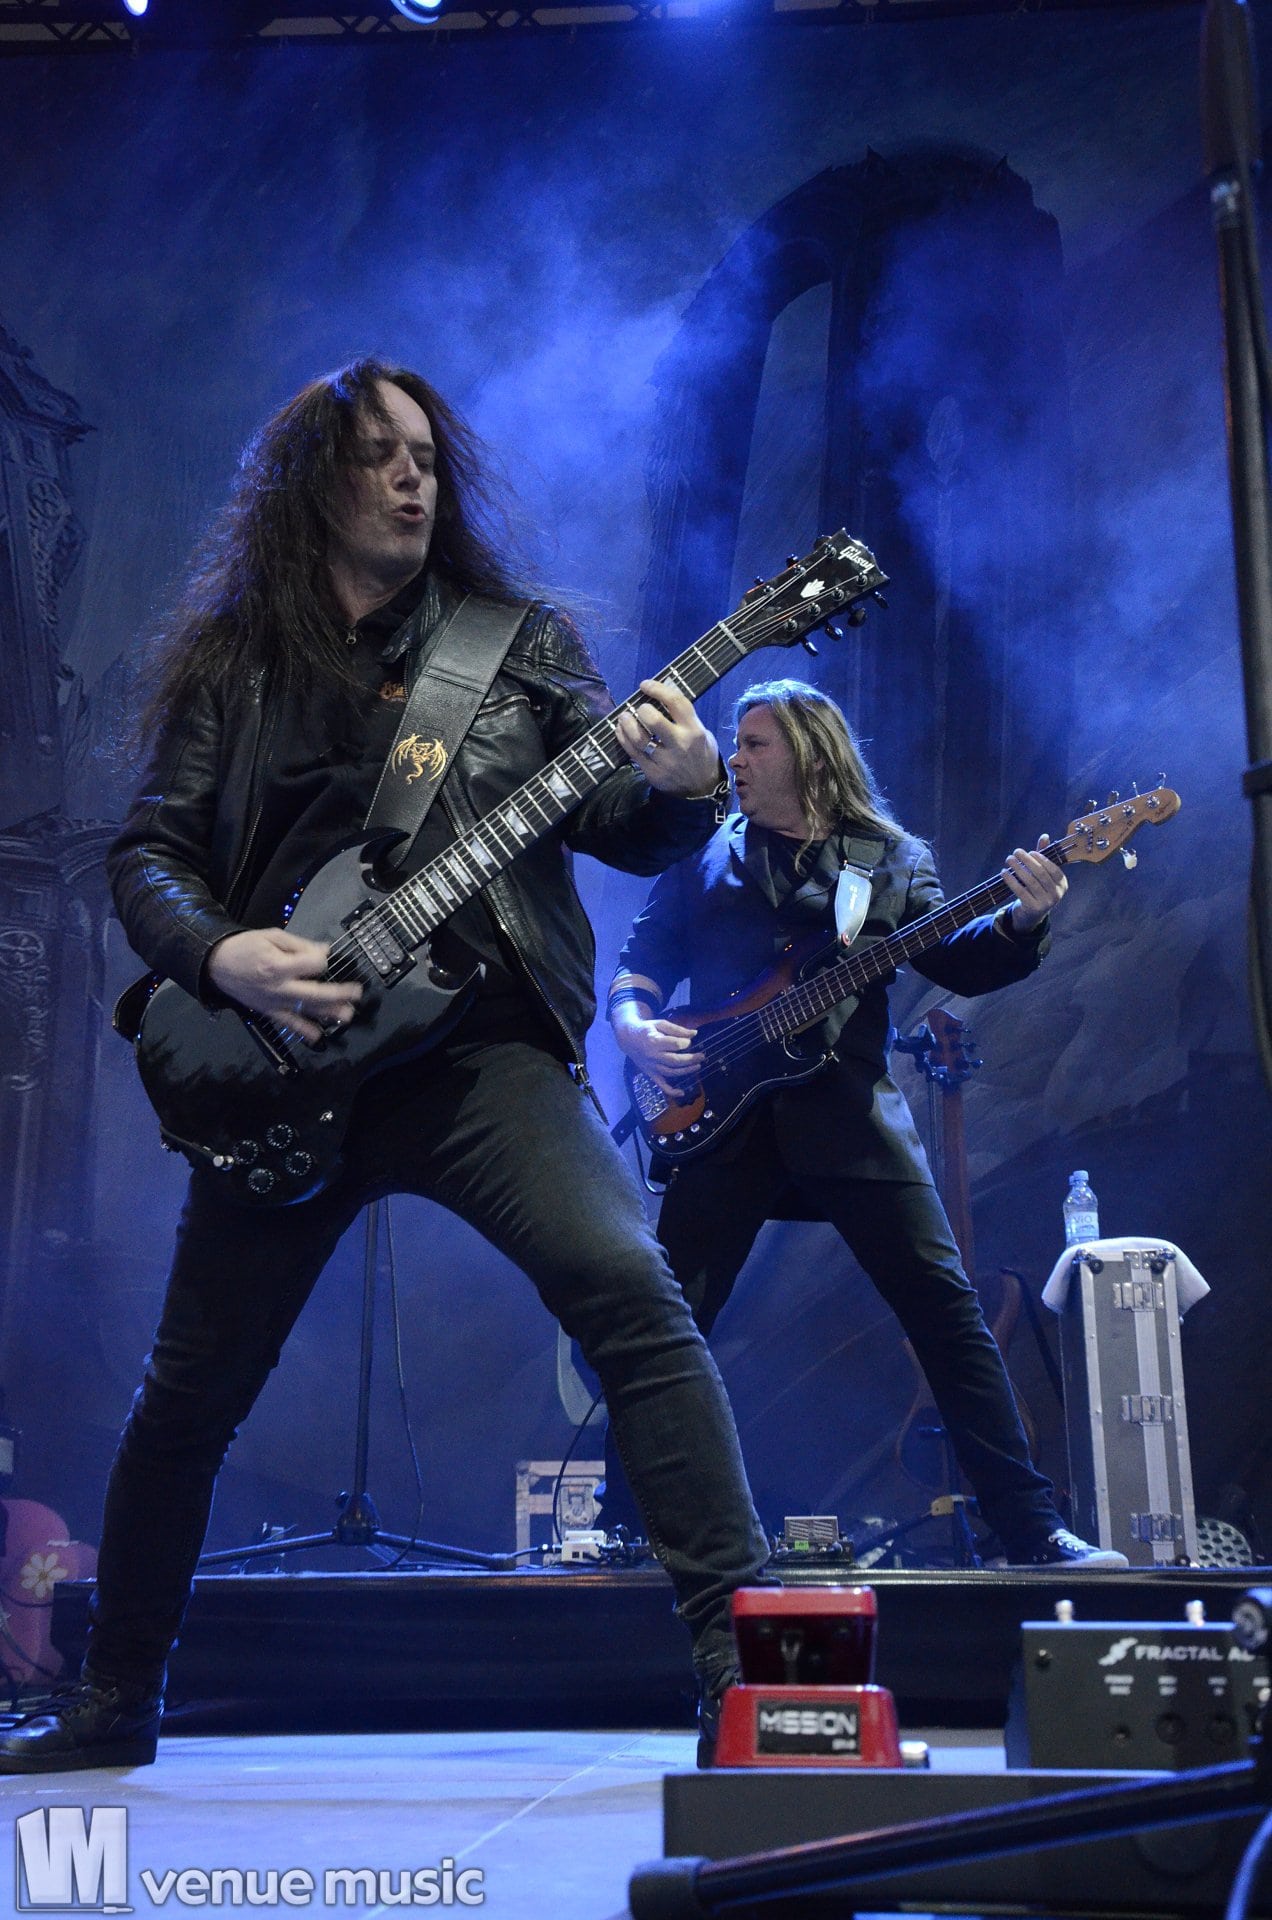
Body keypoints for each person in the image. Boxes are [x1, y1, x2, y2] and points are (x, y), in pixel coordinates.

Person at [0, 358, 769, 1774]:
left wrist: (690, 790)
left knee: (632, 1295)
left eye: (425, 455)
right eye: (378, 454)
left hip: (481, 1059)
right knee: (186, 1398)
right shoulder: (237, 663)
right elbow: (148, 853)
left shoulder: (515, 645)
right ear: (313, 482)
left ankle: (747, 1676)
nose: (413, 477)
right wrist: (222, 956)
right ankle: (113, 1699)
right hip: (280, 1068)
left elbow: (616, 819)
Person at [604, 677, 1127, 1569]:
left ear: (809, 754)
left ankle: (1032, 1529)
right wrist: (631, 1025)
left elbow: (958, 958)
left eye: (754, 744)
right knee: (666, 1323)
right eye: (737, 743)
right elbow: (640, 961)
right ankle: (629, 1527)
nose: (734, 759)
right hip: (720, 1122)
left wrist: (1024, 916)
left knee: (947, 1315)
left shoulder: (888, 858)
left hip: (847, 1118)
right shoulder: (704, 851)